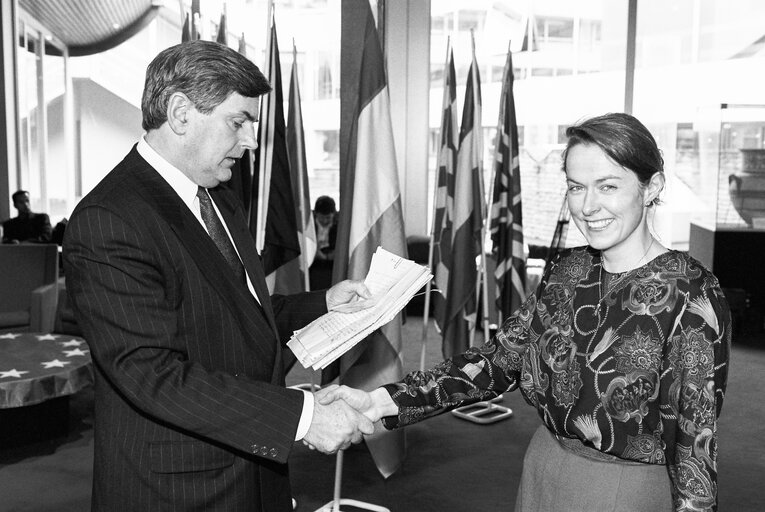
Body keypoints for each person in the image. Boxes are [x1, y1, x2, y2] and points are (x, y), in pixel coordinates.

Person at [320, 113, 732, 511]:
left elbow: (695, 442)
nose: (588, 207)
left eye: (607, 187)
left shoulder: (692, 295)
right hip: (543, 469)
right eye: (575, 187)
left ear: (651, 186)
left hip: (625, 491)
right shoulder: (568, 271)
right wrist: (380, 402)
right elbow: (497, 361)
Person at [63, 40, 373, 512]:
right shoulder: (110, 219)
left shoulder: (218, 195)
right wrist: (303, 417)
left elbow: (236, 313)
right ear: (182, 112)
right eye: (239, 122)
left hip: (253, 468)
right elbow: (152, 373)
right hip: (180, 490)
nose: (251, 142)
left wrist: (325, 302)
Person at [313, 195, 338, 262]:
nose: (325, 221)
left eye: (328, 217)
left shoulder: (340, 225)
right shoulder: (308, 224)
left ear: (334, 214)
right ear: (316, 213)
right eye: (321, 217)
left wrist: (327, 257)